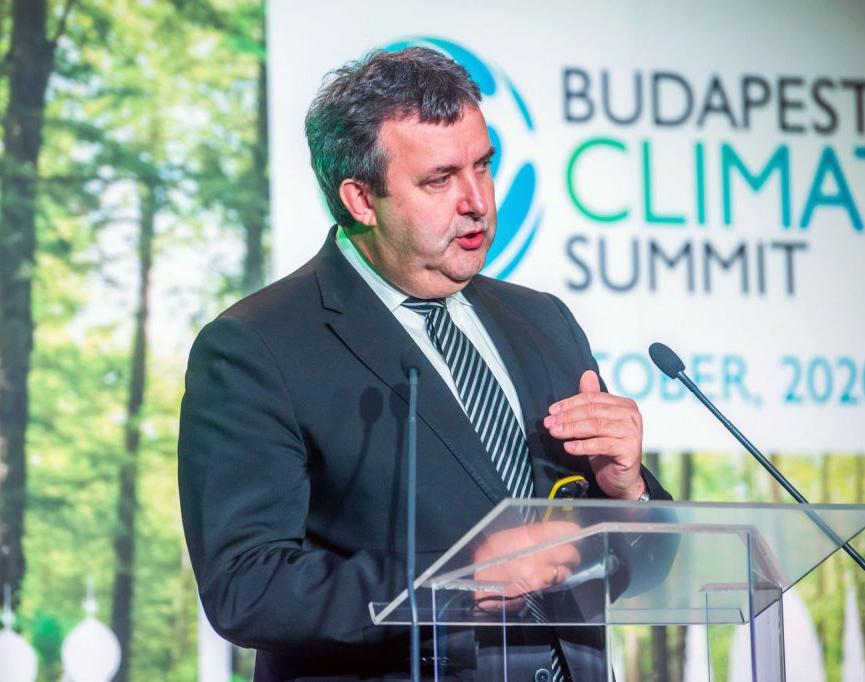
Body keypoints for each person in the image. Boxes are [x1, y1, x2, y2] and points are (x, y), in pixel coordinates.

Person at [178, 46, 670, 681]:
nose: (476, 201)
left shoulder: (543, 320)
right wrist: (460, 578)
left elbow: (644, 565)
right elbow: (247, 588)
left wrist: (626, 493)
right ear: (361, 199)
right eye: (440, 180)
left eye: (483, 166)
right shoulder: (257, 346)